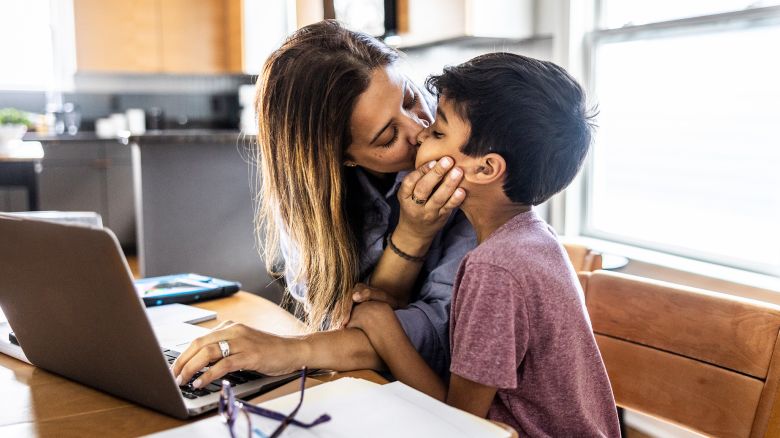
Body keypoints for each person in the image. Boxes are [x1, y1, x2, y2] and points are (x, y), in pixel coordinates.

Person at [171, 20, 476, 388]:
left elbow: (439, 338)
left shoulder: (463, 178)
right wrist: (407, 244)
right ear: (342, 158)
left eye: (411, 100)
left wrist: (291, 350)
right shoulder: (313, 201)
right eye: (388, 136)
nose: (420, 130)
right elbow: (339, 320)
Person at [346, 52, 621, 436]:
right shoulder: (534, 239)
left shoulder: (494, 269)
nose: (422, 134)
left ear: (485, 168)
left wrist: (385, 330)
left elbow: (460, 425)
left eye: (439, 133)